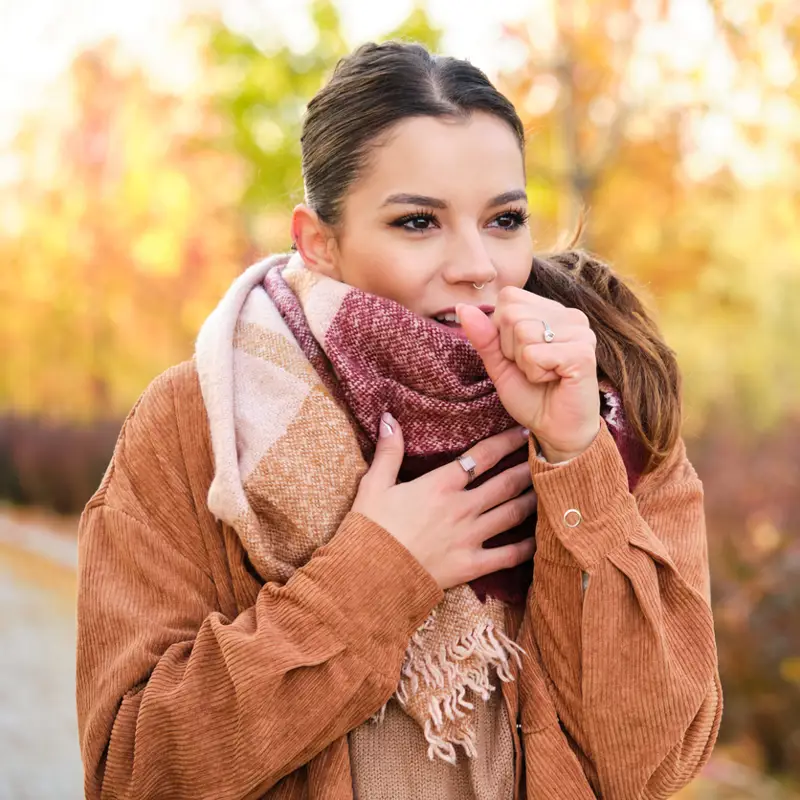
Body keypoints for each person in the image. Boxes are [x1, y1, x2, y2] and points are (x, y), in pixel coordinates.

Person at [75, 40, 721, 800]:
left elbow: (649, 765)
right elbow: (133, 773)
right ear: (320, 242)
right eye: (419, 223)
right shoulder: (202, 422)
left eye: (505, 219)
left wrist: (576, 455)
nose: (477, 263)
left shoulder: (617, 412)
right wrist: (377, 573)